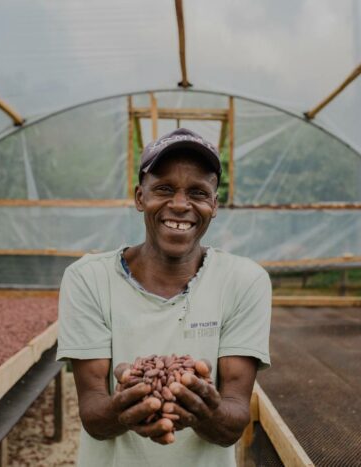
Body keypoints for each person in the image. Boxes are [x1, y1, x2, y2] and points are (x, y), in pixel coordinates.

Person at [57, 128, 272, 467]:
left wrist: (205, 409)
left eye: (198, 193)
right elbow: (94, 415)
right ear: (140, 197)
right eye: (164, 189)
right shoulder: (89, 279)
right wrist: (124, 408)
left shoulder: (244, 281)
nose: (180, 205)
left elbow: (232, 420)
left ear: (214, 205)